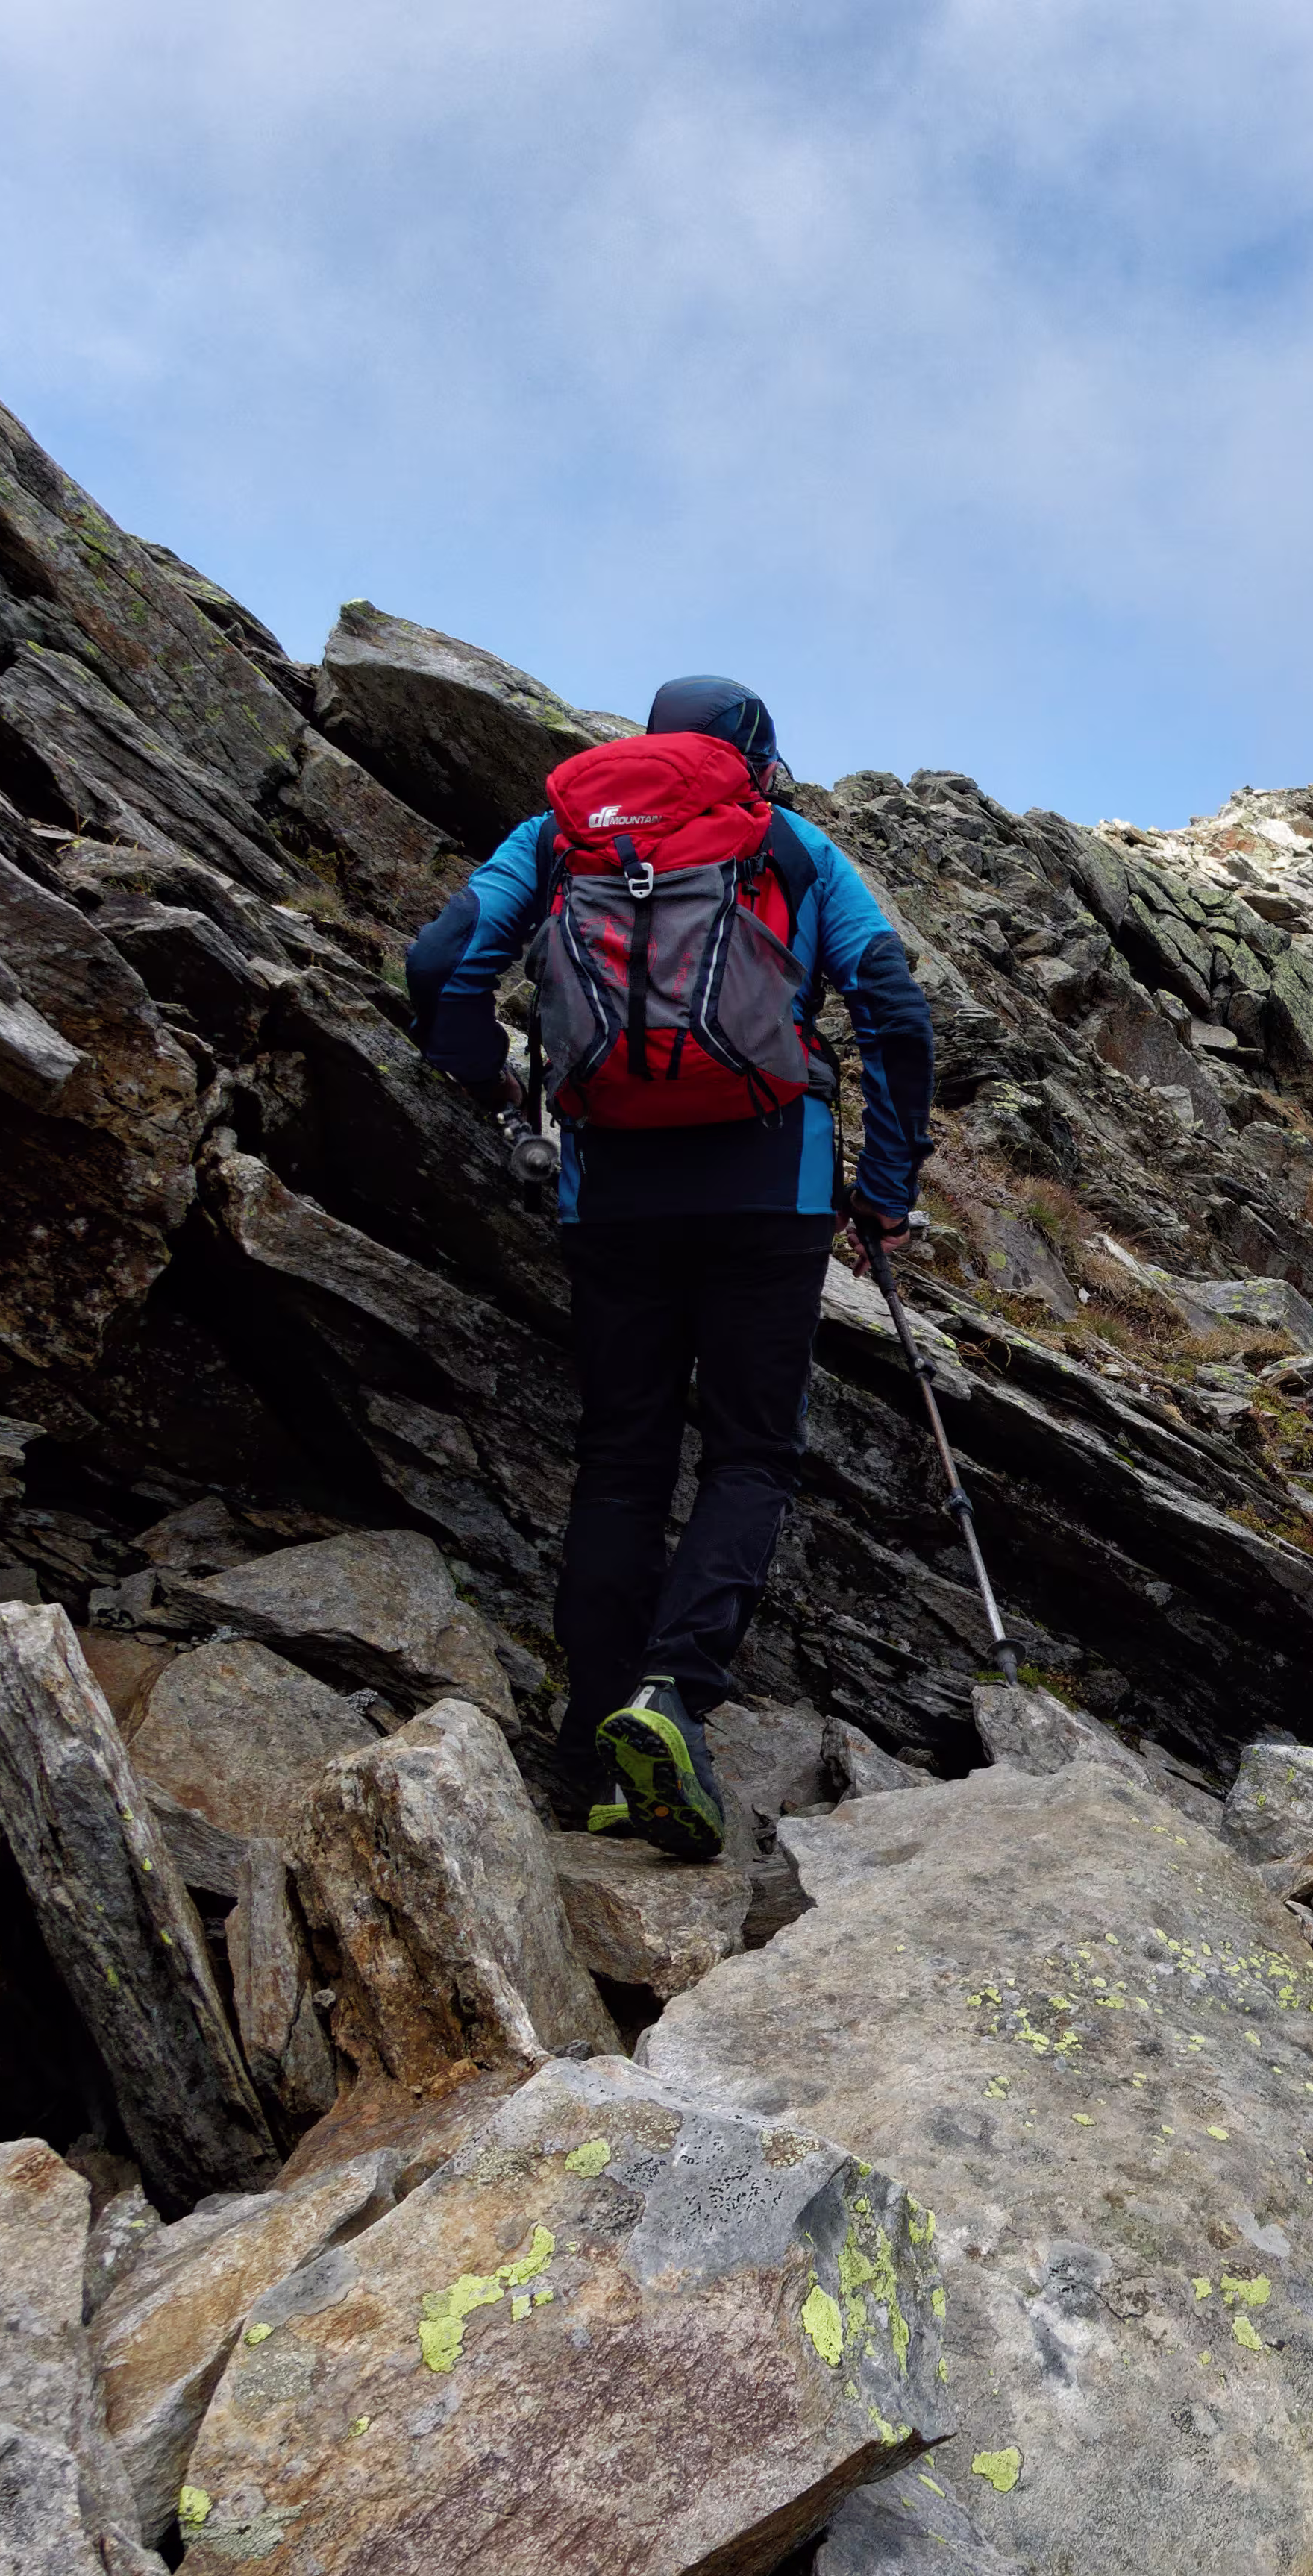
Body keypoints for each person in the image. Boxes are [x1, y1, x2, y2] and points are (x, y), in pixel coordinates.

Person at [412, 676, 931, 1861]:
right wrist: (887, 1189)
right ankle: (676, 1696)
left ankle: (595, 1742)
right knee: (750, 1451)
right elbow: (893, 1007)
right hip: (770, 1182)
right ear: (757, 751)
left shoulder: (559, 834)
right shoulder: (788, 844)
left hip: (615, 1190)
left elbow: (442, 955)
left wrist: (478, 1067)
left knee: (622, 1458)